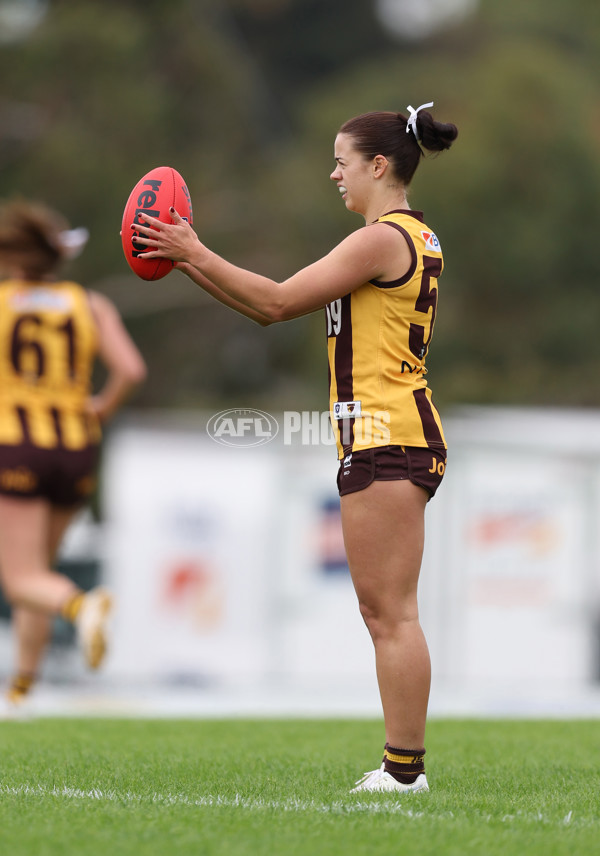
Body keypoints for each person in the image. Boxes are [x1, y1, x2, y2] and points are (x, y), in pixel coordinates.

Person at [133, 103, 457, 793]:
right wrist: (187, 260)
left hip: (387, 432)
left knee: (389, 613)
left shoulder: (381, 238)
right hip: (389, 433)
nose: (332, 172)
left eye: (342, 160)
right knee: (386, 612)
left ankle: (404, 774)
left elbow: (277, 301)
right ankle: (402, 770)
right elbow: (266, 308)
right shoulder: (406, 235)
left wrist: (193, 251)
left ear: (378, 165)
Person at [0, 198, 147, 712]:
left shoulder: (3, 301)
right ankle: (23, 687)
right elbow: (130, 370)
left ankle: (82, 606)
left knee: (20, 578)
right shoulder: (90, 304)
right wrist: (100, 410)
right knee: (38, 570)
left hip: (16, 445)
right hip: (76, 446)